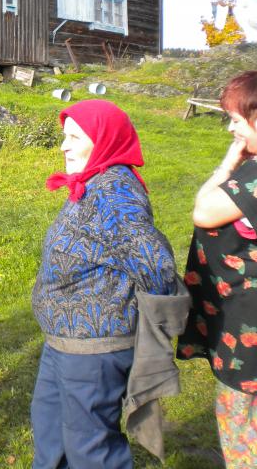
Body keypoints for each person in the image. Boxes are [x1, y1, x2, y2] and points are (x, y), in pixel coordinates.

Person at [30, 99, 186, 468]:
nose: (63, 146)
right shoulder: (94, 181)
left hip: (94, 347)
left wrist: (140, 313)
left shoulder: (115, 194)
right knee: (50, 430)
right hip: (64, 340)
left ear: (104, 140)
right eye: (64, 136)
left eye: (74, 137)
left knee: (91, 448)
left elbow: (156, 264)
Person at [177, 71, 257, 468]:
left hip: (249, 328)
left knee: (241, 421)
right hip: (239, 317)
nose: (231, 129)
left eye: (237, 120)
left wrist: (228, 163)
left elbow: (204, 210)